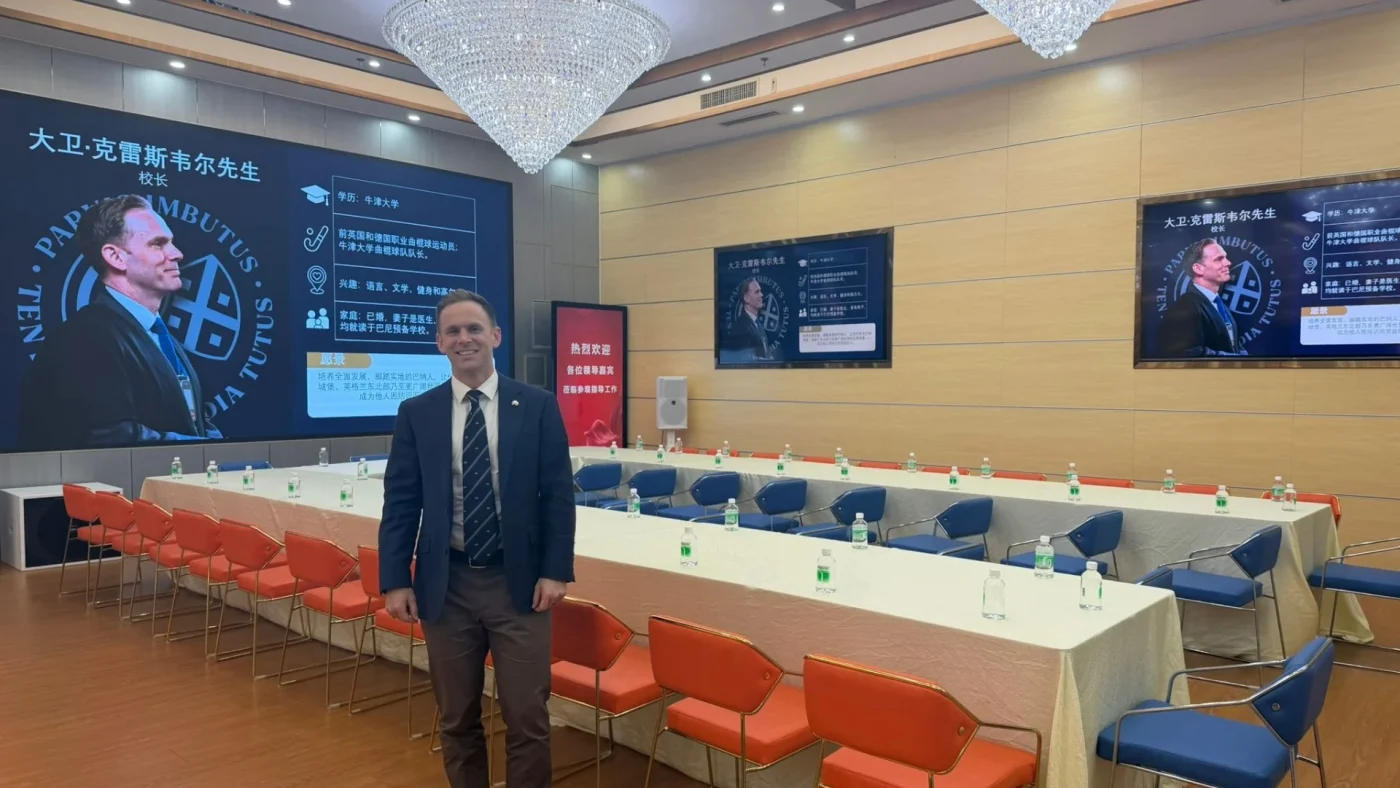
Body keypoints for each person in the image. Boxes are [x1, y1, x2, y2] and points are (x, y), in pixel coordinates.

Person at [378, 290, 575, 788]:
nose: (464, 339)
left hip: (521, 582)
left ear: (495, 336)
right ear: (439, 342)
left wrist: (555, 569)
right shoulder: (417, 412)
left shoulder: (537, 406)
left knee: (528, 716)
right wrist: (396, 580)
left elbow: (557, 496)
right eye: (453, 331)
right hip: (448, 584)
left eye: (473, 329)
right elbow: (401, 502)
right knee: (456, 717)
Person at [17, 194, 221, 450]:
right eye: (158, 244)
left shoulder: (156, 334)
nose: (177, 254)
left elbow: (192, 420)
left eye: (172, 242)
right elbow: (111, 436)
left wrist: (222, 452)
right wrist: (205, 450)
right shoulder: (85, 338)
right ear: (115, 257)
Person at [1159, 238, 1248, 357]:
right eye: (1218, 259)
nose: (1228, 263)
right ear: (1198, 269)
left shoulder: (1219, 305)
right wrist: (1235, 359)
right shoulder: (1184, 307)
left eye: (1225, 257)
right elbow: (1187, 352)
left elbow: (1233, 345)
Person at [725, 277, 775, 360]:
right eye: (757, 292)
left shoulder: (758, 324)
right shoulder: (741, 326)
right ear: (746, 298)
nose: (761, 295)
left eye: (760, 291)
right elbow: (743, 357)